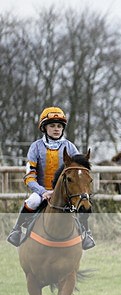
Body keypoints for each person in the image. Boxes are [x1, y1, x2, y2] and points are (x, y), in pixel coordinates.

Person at [7, 106, 95, 249]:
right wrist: (43, 192)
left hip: (65, 192)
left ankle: (87, 233)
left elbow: (79, 173)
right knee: (32, 201)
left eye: (59, 126)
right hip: (41, 192)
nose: (56, 129)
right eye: (52, 125)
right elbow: (29, 176)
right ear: (44, 128)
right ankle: (16, 230)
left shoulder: (70, 147)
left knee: (82, 203)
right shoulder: (35, 147)